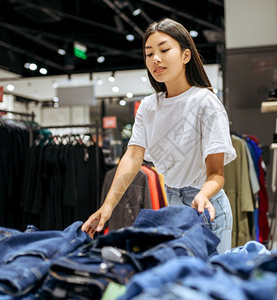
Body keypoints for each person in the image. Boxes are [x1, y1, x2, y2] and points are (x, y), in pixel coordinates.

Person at [82, 18, 236, 253]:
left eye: (164, 50)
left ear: (186, 56)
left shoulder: (206, 103)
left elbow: (216, 173)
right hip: (171, 204)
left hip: (207, 208)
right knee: (180, 281)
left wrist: (204, 195)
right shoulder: (148, 106)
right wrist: (108, 206)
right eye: (149, 53)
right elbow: (133, 157)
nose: (155, 59)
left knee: (209, 284)